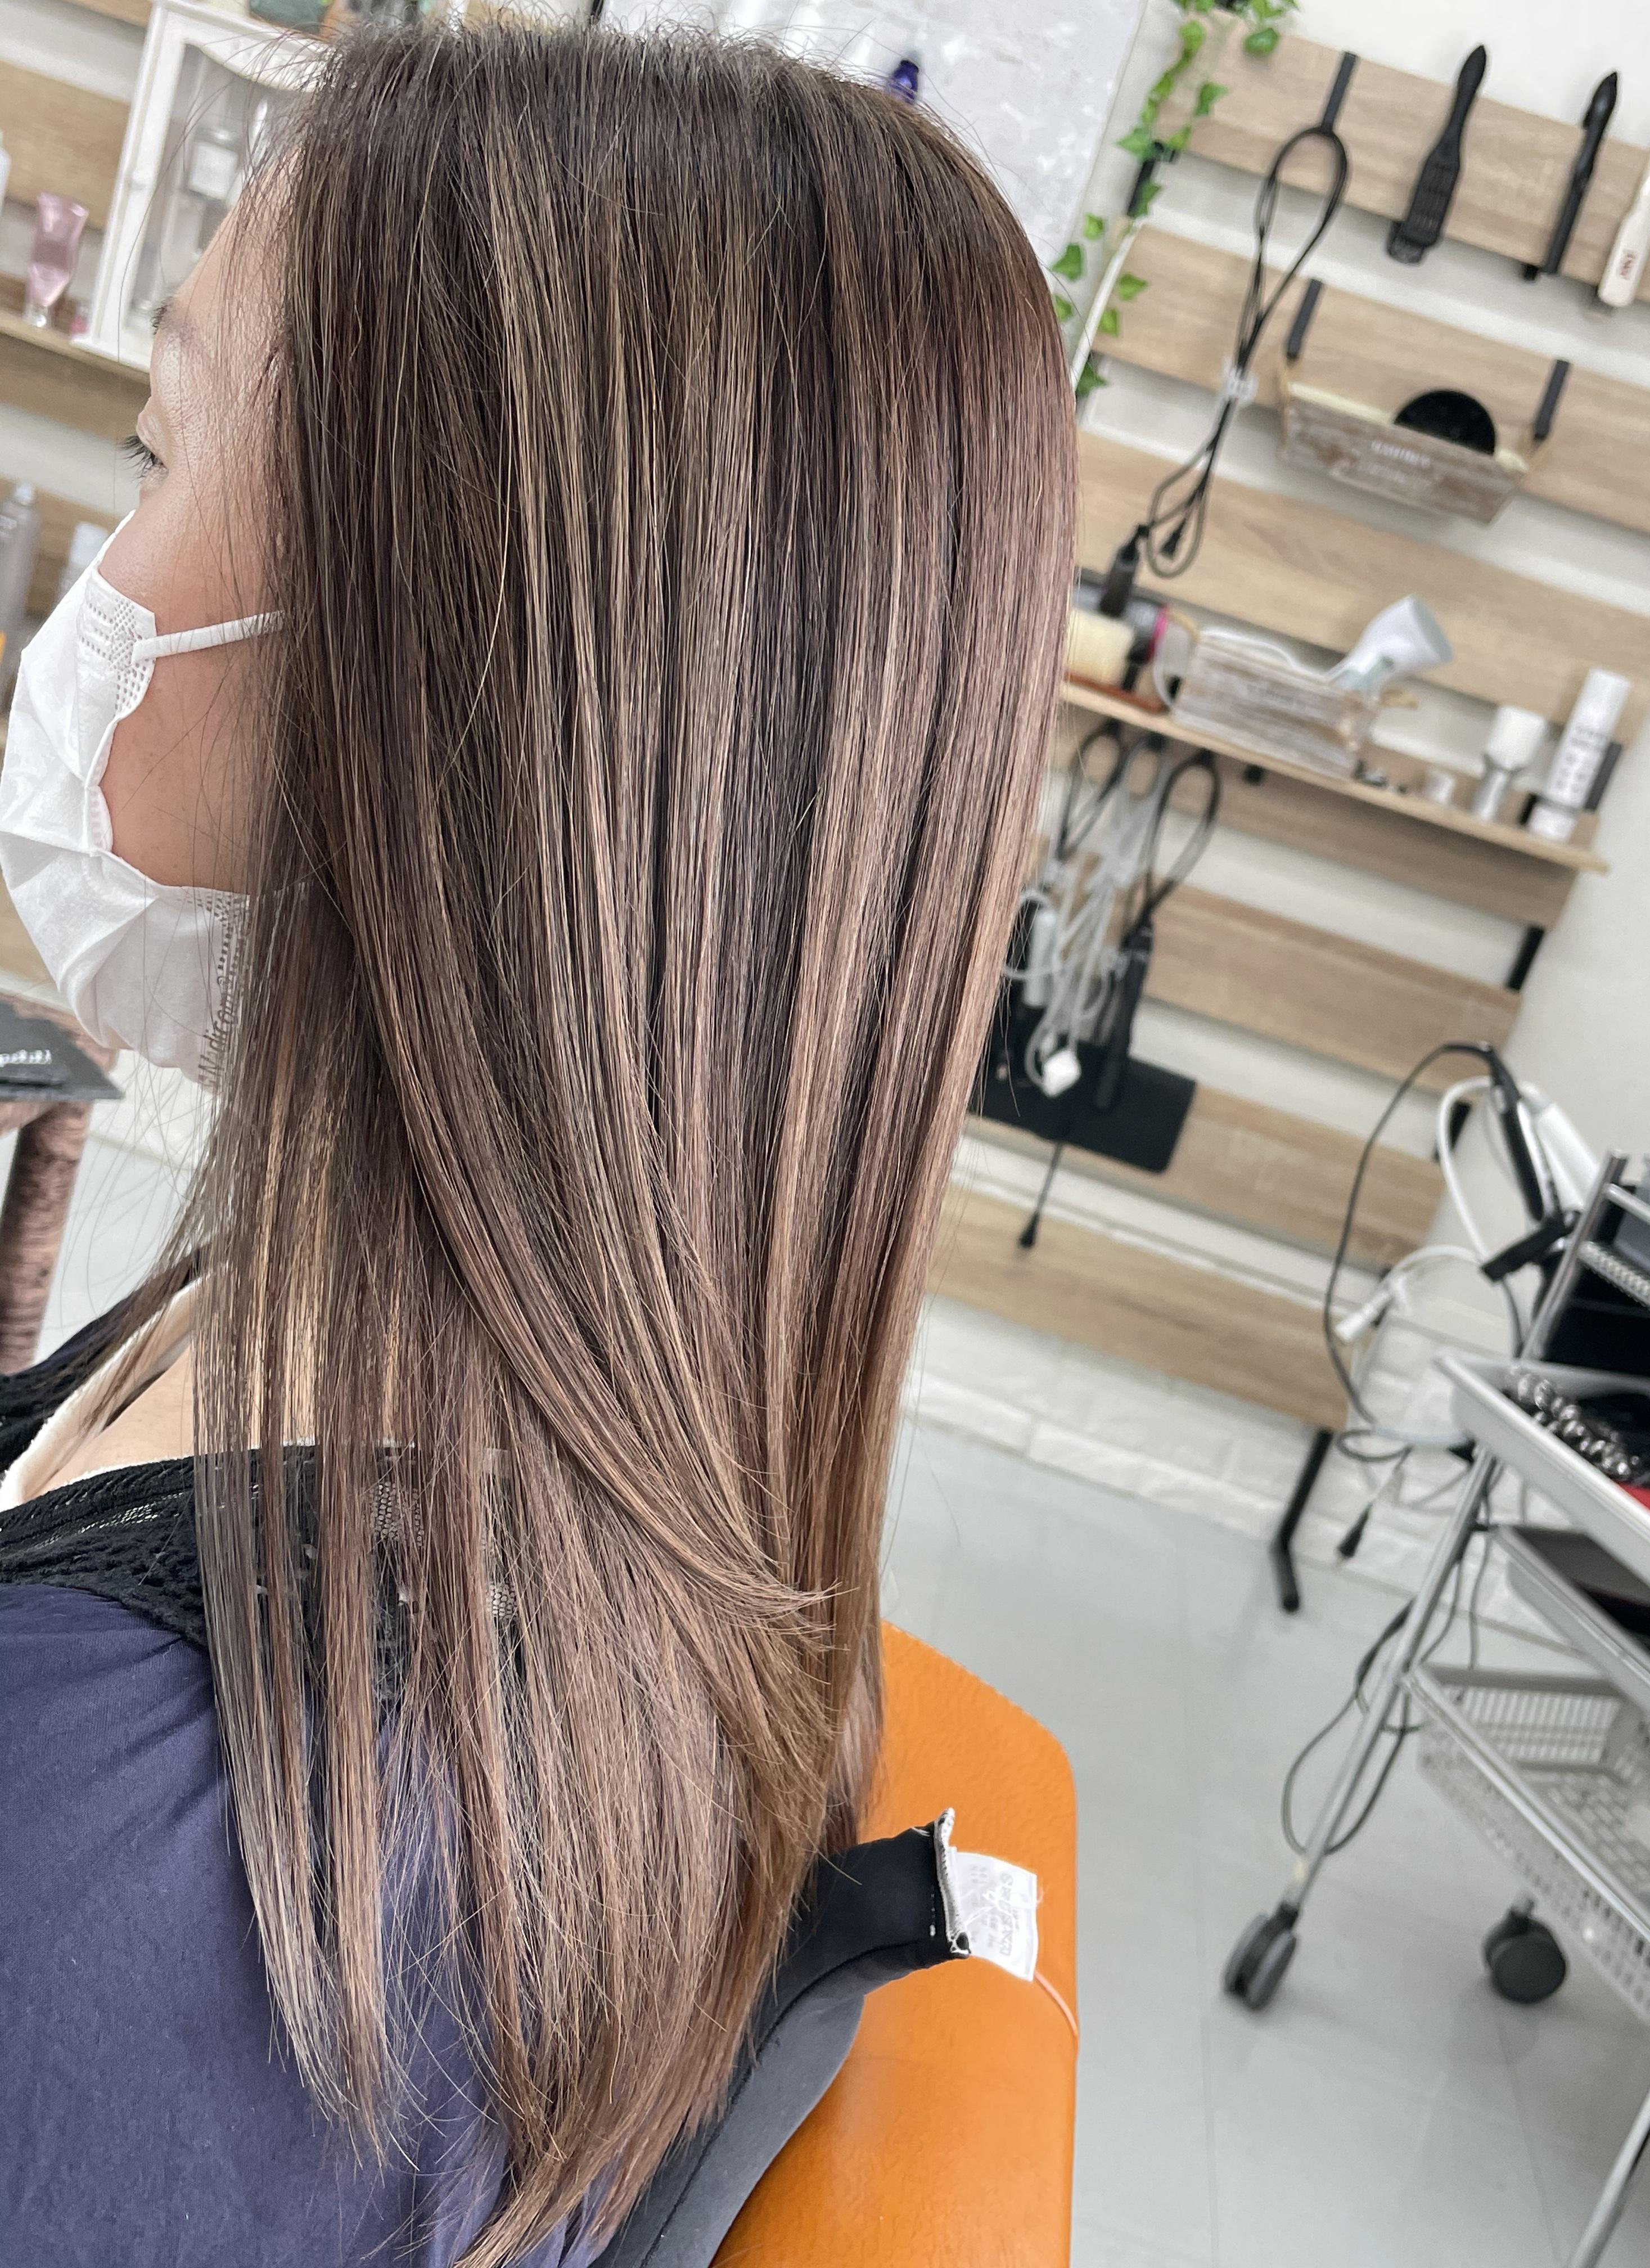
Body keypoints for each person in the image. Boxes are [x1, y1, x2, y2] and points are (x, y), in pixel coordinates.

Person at [0, 22, 1072, 2266]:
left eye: (162, 442)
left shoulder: (125, 1866)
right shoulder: (520, 1411)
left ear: (416, 668)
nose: (94, 585)